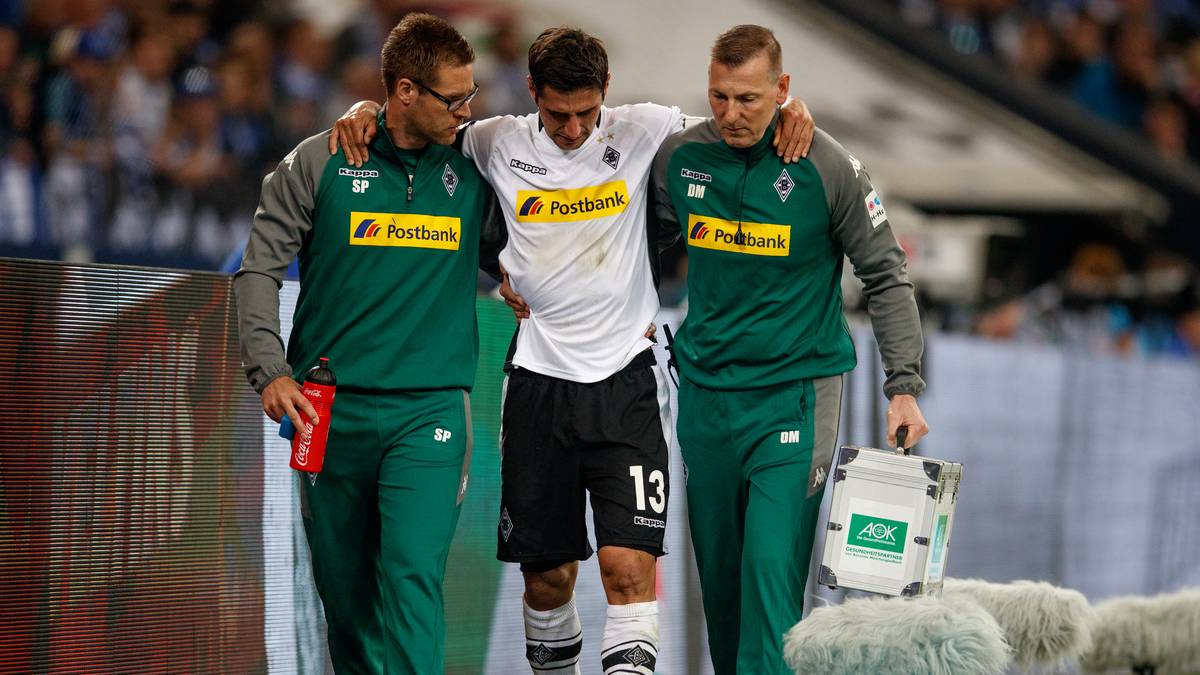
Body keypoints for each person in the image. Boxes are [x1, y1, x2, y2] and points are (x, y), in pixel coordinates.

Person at [328, 26, 814, 675]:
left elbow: (737, 125)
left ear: (606, 90)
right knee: (548, 579)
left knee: (627, 567)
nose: (574, 128)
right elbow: (411, 127)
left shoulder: (648, 128)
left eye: (587, 112)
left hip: (627, 381)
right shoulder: (491, 140)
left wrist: (791, 108)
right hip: (537, 384)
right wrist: (364, 109)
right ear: (532, 91)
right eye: (558, 114)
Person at [650, 24, 930, 674]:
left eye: (748, 99)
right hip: (706, 400)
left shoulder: (829, 167)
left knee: (769, 574)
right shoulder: (680, 159)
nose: (731, 114)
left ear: (782, 89)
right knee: (722, 592)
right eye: (719, 97)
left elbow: (886, 273)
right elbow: (632, 239)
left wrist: (903, 384)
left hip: (794, 400)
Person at [234, 14, 502, 674]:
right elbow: (259, 268)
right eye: (453, 99)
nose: (467, 112)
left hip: (430, 413)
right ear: (405, 91)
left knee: (412, 580)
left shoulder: (476, 166)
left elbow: (544, 223)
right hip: (328, 411)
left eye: (470, 96)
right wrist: (270, 369)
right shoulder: (320, 160)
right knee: (346, 599)